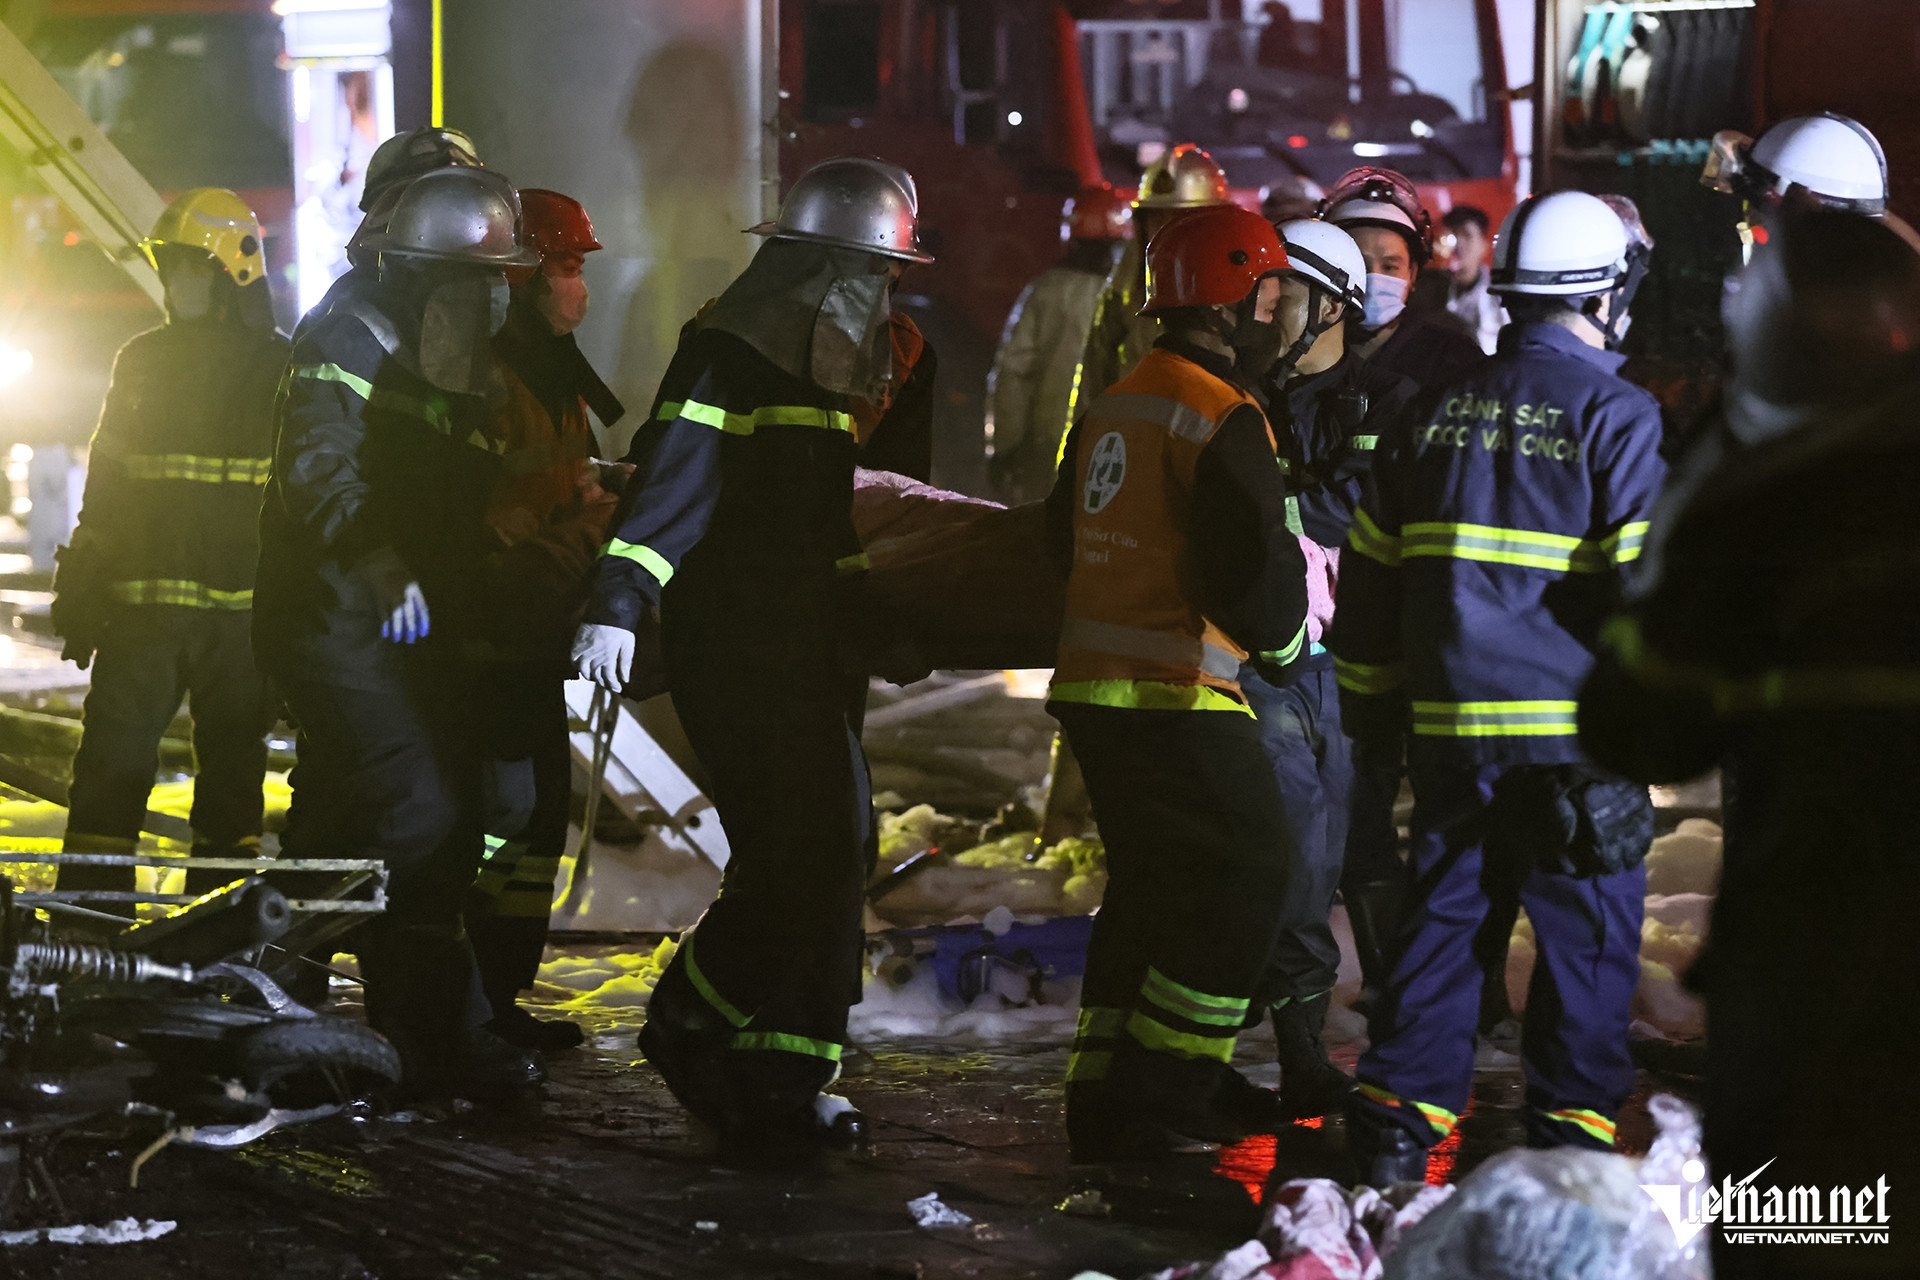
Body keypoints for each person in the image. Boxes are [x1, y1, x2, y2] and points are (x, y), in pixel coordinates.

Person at [1577, 207, 1920, 1280]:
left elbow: (1639, 724)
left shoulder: (1763, 513)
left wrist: (1690, 508)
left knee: (1805, 1237)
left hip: (1817, 974)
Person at [573, 156, 929, 1152]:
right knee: (804, 853)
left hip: (806, 646)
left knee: (827, 852)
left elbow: (830, 525)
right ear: (821, 269)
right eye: (874, 272)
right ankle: (694, 1019)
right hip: (738, 643)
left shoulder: (824, 372)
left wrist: (884, 617)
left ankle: (784, 1073)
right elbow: (672, 488)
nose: (883, 294)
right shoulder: (732, 355)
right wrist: (618, 600)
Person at [1329, 191, 1665, 1184]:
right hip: (1574, 745)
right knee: (1587, 939)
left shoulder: (1429, 409)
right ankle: (1571, 1147)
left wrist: (1371, 711)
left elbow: (1370, 580)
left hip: (1451, 731)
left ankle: (1395, 1128)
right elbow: (1650, 598)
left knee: (1445, 921)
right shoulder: (1616, 415)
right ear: (1604, 294)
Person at [256, 166, 546, 1101]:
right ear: (427, 271)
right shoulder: (353, 332)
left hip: (412, 620)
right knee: (424, 811)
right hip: (335, 615)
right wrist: (377, 559)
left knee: (403, 816)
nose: (498, 294)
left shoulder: (446, 351)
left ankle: (278, 995)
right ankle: (416, 1022)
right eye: (483, 276)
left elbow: (447, 491)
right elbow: (318, 463)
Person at [1047, 203, 1313, 1163]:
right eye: (1270, 294)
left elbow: (1057, 541)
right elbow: (1256, 569)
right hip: (1178, 691)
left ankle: (1103, 1089)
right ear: (1228, 301)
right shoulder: (1222, 413)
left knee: (1152, 889)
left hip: (1095, 693)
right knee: (1252, 875)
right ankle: (1173, 1082)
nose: (1278, 313)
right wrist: (1287, 649)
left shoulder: (1116, 401)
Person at [50, 190, 286, 909]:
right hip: (141, 618)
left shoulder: (281, 367)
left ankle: (219, 936)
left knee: (233, 790)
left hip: (240, 627)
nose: (175, 282)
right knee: (108, 775)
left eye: (188, 267)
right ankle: (86, 931)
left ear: (233, 270)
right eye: (171, 268)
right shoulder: (142, 361)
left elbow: (301, 498)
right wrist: (84, 574)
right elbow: (107, 482)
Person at [1236, 217, 1420, 1120]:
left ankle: (1399, 1021)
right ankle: (1300, 1051)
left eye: (1286, 292)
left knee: (1357, 846)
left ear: (1332, 308)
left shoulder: (1391, 402)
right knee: (1295, 860)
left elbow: (1353, 518)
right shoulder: (1239, 399)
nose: (1266, 306)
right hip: (1269, 664)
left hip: (1352, 668)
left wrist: (1270, 501)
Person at [467, 188, 625, 1052]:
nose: (579, 287)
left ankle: (499, 998)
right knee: (503, 813)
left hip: (529, 635)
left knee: (536, 816)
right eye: (565, 267)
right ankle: (469, 1002)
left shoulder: (556, 378)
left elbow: (560, 483)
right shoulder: (492, 379)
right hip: (486, 639)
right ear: (523, 278)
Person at [1063, 144, 1232, 435]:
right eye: (1157, 219)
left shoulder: (1243, 285)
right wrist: (1078, 453)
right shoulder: (1127, 280)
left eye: (1180, 220)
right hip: (1135, 444)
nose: (1166, 232)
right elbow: (1094, 374)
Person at [986, 183, 1129, 505]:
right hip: (1113, 450)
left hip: (1045, 446)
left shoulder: (1044, 292)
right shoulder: (1132, 301)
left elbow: (1012, 373)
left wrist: (1005, 448)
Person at [294, 126, 483, 342]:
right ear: (389, 210)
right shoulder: (344, 323)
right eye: (436, 199)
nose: (455, 215)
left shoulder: (497, 289)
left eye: (462, 198)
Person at [1316, 167, 1483, 390]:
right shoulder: (1300, 353)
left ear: (1412, 274)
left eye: (1390, 266)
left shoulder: (1453, 357)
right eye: (1359, 265)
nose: (1374, 278)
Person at [1438, 206, 1504, 354]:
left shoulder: (1499, 295)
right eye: (1453, 235)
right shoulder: (1430, 289)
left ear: (1484, 245)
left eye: (1467, 236)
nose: (1458, 244)